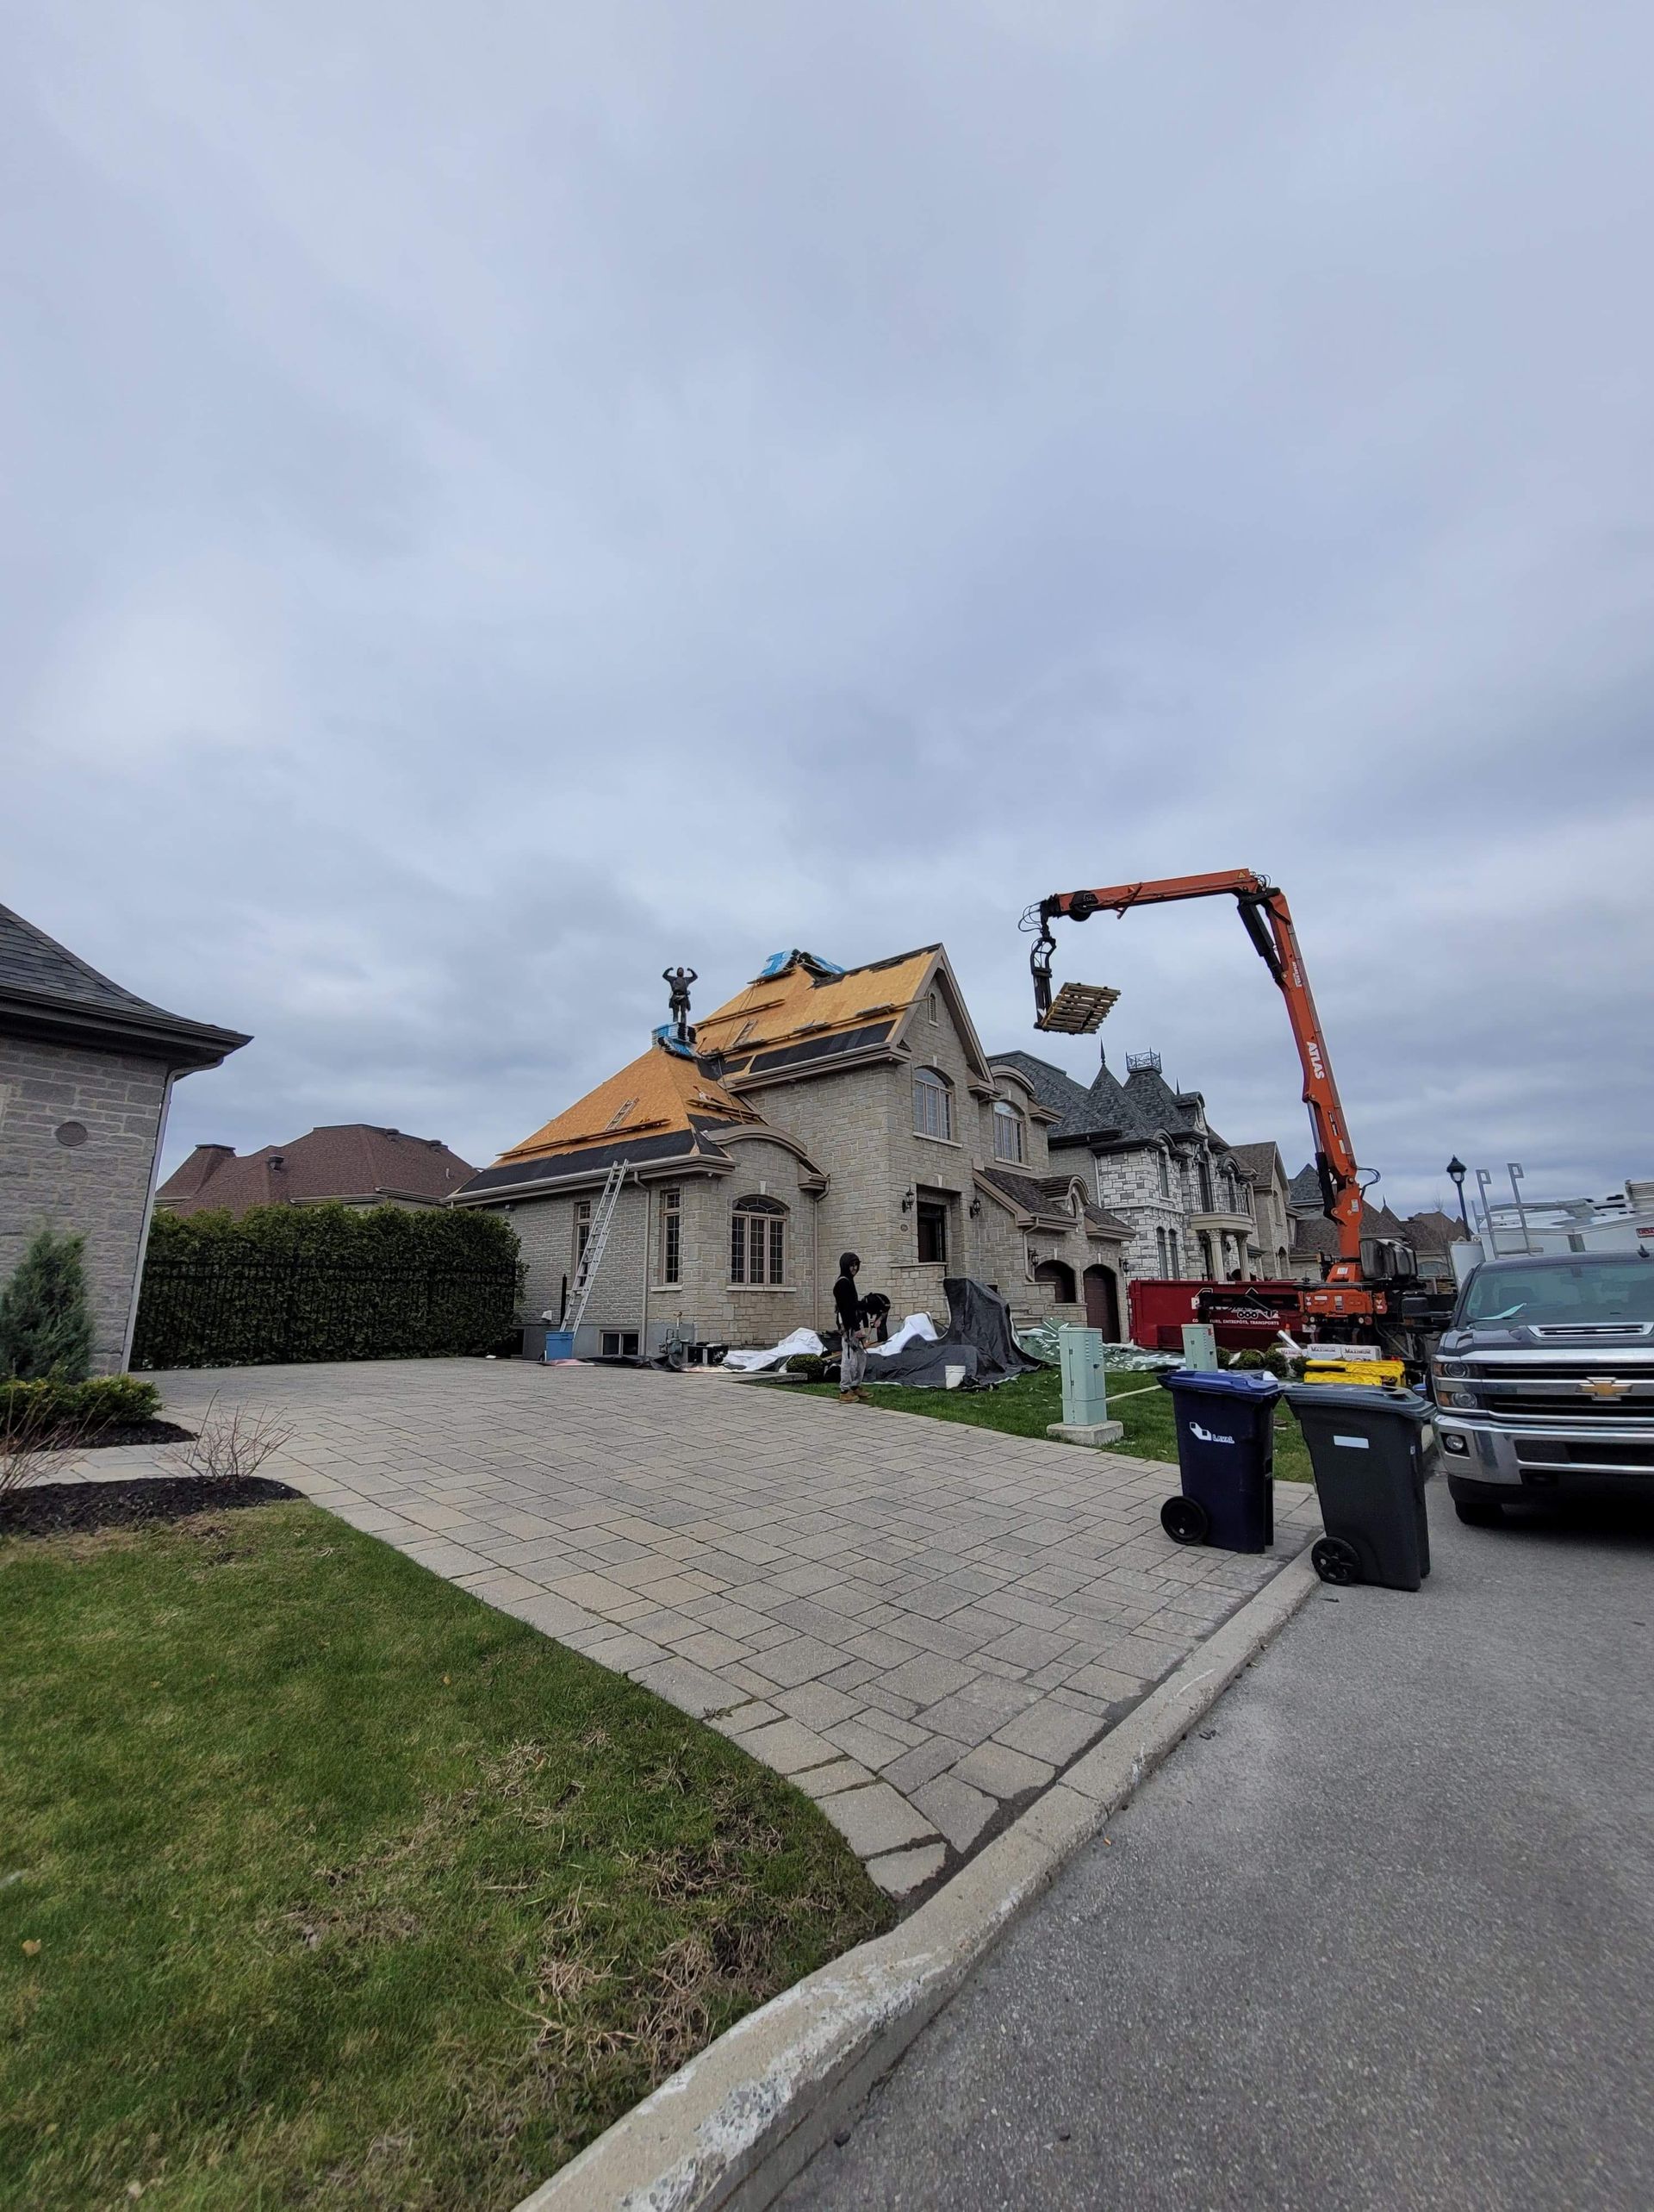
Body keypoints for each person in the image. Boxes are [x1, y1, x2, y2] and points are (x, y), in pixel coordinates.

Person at [834, 1251, 869, 1403]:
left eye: (856, 1265)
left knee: (861, 1355)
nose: (854, 1268)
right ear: (845, 1266)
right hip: (848, 1327)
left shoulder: (849, 1281)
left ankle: (855, 1386)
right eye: (851, 1265)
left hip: (853, 1324)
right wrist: (856, 1329)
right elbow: (846, 1310)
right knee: (848, 1358)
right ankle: (844, 1391)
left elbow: (853, 1306)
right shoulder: (843, 1283)